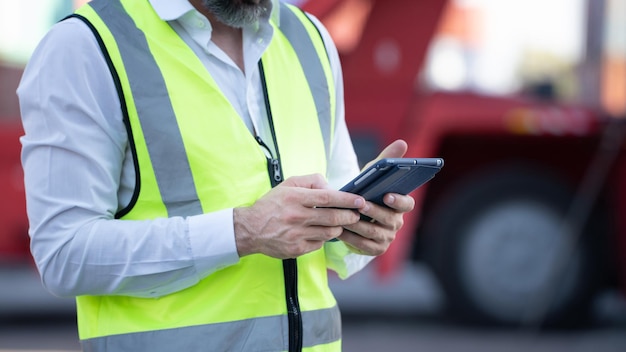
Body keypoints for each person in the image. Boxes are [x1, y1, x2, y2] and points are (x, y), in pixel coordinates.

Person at [18, 0, 415, 351]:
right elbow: (63, 254)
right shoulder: (85, 46)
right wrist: (243, 232)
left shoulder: (310, 38)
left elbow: (332, 234)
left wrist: (360, 229)